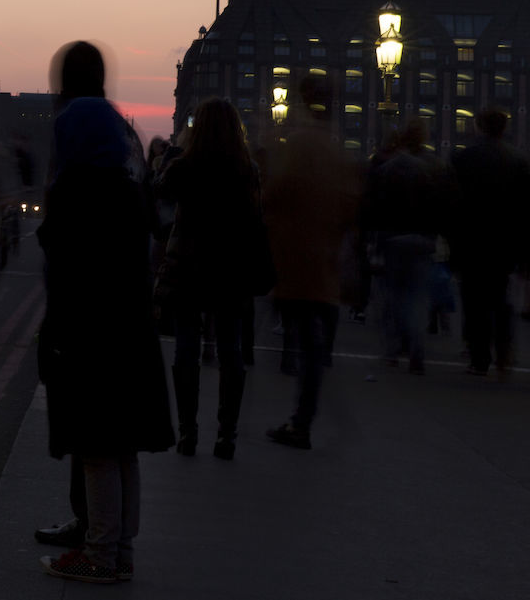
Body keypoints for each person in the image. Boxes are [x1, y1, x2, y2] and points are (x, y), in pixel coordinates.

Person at [35, 41, 173, 585]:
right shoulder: (126, 181)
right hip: (130, 321)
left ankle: (98, 553)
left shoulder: (78, 188)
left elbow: (60, 254)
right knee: (123, 447)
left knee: (95, 445)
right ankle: (121, 550)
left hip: (90, 327)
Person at [156, 98, 270, 460]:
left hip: (190, 268)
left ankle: (188, 432)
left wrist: (172, 153)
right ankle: (226, 435)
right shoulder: (246, 168)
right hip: (231, 269)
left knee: (186, 347)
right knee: (230, 349)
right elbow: (256, 214)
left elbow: (159, 190)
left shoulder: (184, 166)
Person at [263, 75, 358, 449]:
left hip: (296, 261)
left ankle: (301, 422)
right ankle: (303, 417)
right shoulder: (338, 150)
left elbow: (274, 196)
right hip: (325, 262)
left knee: (304, 339)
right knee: (314, 344)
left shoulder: (298, 145)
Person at [450, 107, 530, 377]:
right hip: (505, 242)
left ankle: (479, 357)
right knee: (500, 297)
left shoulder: (465, 158)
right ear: (504, 128)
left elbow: (454, 202)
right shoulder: (519, 160)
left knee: (474, 300)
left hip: (472, 240)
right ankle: (504, 351)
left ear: (479, 126)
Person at [364, 121, 449, 375]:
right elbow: (441, 205)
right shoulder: (434, 167)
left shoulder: (387, 168)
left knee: (391, 297)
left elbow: (374, 207)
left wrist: (372, 241)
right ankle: (416, 346)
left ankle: (392, 350)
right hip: (422, 241)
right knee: (416, 298)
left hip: (392, 239)